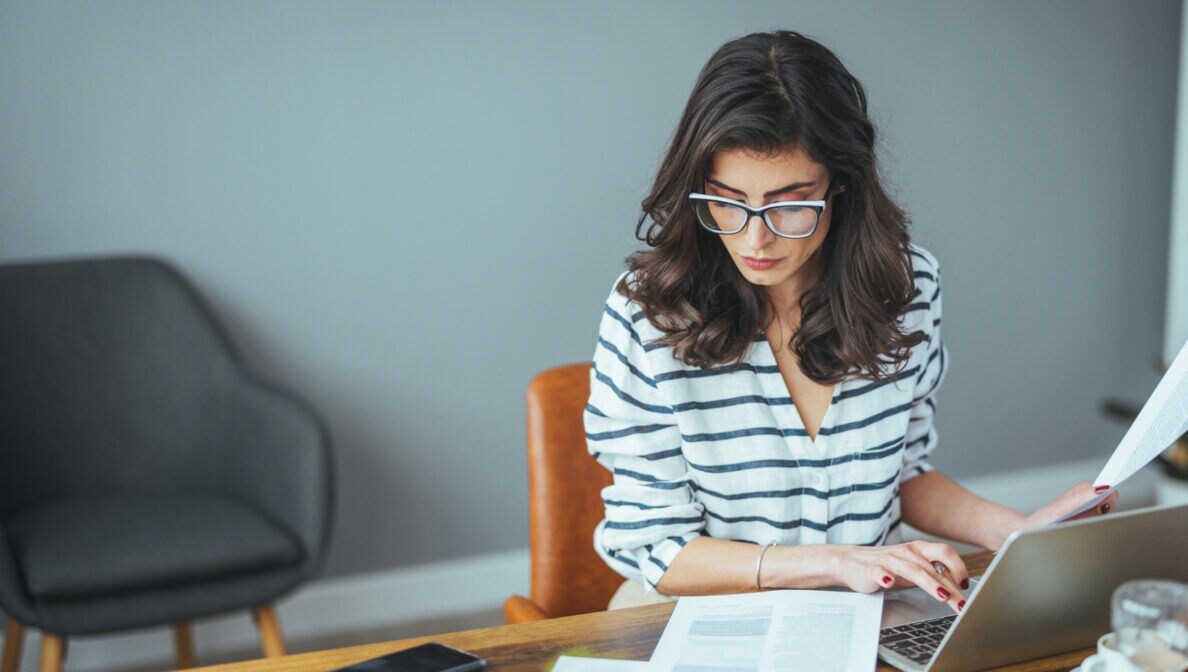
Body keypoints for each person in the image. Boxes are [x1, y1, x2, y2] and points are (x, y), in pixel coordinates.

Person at [584, 30, 1117, 612]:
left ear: (841, 182)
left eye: (790, 204)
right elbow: (659, 548)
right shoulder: (648, 315)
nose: (754, 238)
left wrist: (1017, 532)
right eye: (728, 201)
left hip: (858, 608)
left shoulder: (906, 289)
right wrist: (836, 563)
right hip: (697, 612)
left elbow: (903, 475)